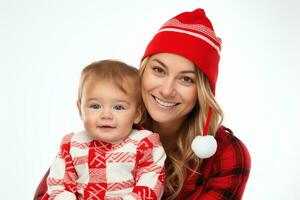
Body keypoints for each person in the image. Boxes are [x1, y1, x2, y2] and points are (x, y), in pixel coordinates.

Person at [34, 8, 251, 200]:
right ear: (143, 71)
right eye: (159, 70)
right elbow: (50, 191)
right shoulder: (108, 128)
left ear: (203, 91)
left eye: (186, 79)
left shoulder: (226, 154)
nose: (167, 90)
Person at [40, 60, 166, 200]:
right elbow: (57, 185)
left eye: (118, 107)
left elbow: (150, 186)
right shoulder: (72, 146)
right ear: (80, 110)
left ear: (137, 114)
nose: (106, 115)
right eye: (95, 106)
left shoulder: (143, 143)